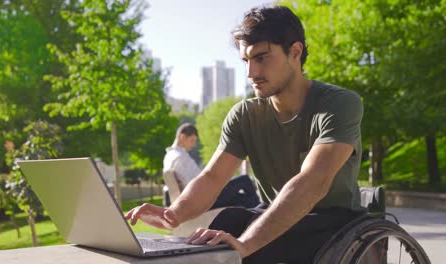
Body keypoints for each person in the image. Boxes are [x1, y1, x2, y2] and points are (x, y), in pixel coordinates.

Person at [125, 5, 364, 263]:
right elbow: (212, 177)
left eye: (261, 58)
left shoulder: (339, 104)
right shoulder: (243, 115)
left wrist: (245, 244)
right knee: (227, 223)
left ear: (295, 52)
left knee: (249, 244)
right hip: (276, 214)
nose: (251, 73)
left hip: (333, 222)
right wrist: (173, 214)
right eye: (246, 61)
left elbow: (312, 182)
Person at [163, 123, 260, 209]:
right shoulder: (179, 157)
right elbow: (192, 183)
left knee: (244, 199)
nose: (193, 145)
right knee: (244, 180)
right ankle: (262, 213)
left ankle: (258, 215)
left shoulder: (170, 156)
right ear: (182, 137)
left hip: (202, 196)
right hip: (205, 198)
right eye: (192, 140)